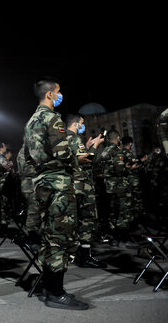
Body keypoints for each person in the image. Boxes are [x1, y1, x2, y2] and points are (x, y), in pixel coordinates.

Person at [24, 78, 88, 310]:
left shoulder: (31, 120)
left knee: (50, 238)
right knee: (61, 238)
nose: (61, 95)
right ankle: (57, 293)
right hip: (58, 183)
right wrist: (79, 157)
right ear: (50, 94)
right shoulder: (52, 119)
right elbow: (62, 152)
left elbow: (30, 155)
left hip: (42, 183)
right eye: (59, 91)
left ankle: (50, 289)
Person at [65, 114, 106, 268]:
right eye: (82, 124)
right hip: (81, 186)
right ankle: (85, 256)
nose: (83, 127)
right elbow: (86, 160)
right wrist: (95, 146)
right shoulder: (75, 139)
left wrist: (87, 147)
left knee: (72, 220)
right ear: (76, 124)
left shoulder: (63, 138)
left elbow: (76, 157)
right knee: (87, 220)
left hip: (71, 185)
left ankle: (72, 254)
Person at [98, 130, 131, 240]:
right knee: (123, 209)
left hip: (109, 186)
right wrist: (128, 168)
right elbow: (119, 169)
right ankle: (123, 233)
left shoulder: (104, 151)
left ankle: (112, 231)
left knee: (112, 209)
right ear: (117, 138)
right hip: (119, 185)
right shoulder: (117, 151)